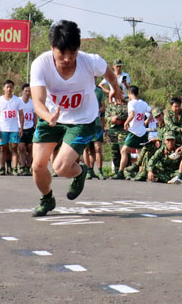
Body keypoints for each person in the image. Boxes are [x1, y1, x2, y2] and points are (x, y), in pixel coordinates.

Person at [29, 20, 123, 217]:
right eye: (61, 53)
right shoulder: (40, 64)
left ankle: (79, 172)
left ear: (78, 49)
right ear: (52, 48)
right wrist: (49, 117)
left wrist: (116, 89)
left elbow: (110, 73)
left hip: (82, 120)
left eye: (72, 54)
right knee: (37, 166)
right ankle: (47, 198)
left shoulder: (90, 61)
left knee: (61, 167)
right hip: (51, 117)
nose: (66, 59)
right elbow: (38, 102)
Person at [116, 86, 152, 180]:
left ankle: (120, 172)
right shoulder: (143, 103)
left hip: (134, 131)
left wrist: (126, 123)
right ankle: (142, 173)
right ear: (138, 93)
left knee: (123, 150)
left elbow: (132, 114)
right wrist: (147, 120)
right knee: (140, 153)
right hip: (142, 131)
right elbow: (152, 112)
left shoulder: (131, 103)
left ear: (129, 93)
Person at [0, 80, 25, 176]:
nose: (9, 89)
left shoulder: (17, 100)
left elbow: (21, 115)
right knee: (3, 149)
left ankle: (14, 168)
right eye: (7, 87)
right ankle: (3, 168)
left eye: (11, 87)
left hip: (14, 129)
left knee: (14, 148)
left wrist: (21, 128)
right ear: (4, 88)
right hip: (3, 129)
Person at [83, 84, 106, 180]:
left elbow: (103, 107)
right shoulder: (82, 88)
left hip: (96, 124)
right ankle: (88, 170)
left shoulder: (99, 91)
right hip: (84, 123)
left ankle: (100, 171)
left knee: (97, 148)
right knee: (86, 149)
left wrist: (95, 110)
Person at [105, 95, 128, 174]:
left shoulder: (126, 104)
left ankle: (126, 171)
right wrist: (112, 119)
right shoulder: (111, 105)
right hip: (113, 130)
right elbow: (106, 116)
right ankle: (116, 170)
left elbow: (127, 114)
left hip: (122, 130)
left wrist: (118, 118)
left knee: (124, 150)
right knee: (114, 151)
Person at [18, 84, 36, 176]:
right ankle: (22, 166)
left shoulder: (32, 102)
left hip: (30, 128)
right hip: (20, 128)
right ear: (22, 91)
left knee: (30, 147)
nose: (28, 93)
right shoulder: (18, 101)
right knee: (21, 147)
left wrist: (36, 127)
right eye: (26, 91)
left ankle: (28, 166)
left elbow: (35, 115)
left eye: (29, 91)